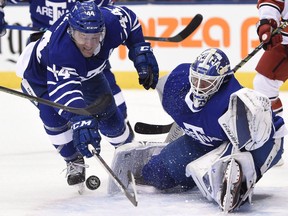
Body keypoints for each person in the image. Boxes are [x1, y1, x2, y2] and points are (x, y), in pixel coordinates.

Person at [110, 48, 286, 212]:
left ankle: (233, 181)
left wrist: (239, 169)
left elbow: (261, 135)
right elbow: (184, 114)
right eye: (196, 80)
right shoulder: (174, 85)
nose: (199, 87)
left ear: (221, 81)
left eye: (207, 83)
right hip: (203, 140)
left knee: (219, 181)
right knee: (155, 174)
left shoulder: (234, 105)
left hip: (261, 142)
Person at [15, 1, 159, 190]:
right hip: (40, 75)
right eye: (83, 37)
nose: (89, 44)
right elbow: (66, 94)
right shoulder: (61, 51)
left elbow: (131, 22)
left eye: (95, 37)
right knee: (52, 115)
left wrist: (140, 50)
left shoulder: (111, 23)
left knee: (107, 111)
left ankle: (127, 151)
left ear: (102, 30)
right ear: (71, 31)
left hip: (87, 72)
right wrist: (80, 119)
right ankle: (73, 160)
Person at [0, 0, 134, 137]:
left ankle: (121, 125)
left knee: (106, 87)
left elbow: (105, 14)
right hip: (45, 49)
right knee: (53, 107)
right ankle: (70, 136)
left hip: (81, 46)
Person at [253, 0, 286, 117]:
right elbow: (271, 2)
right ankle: (275, 131)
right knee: (263, 85)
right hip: (285, 43)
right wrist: (267, 24)